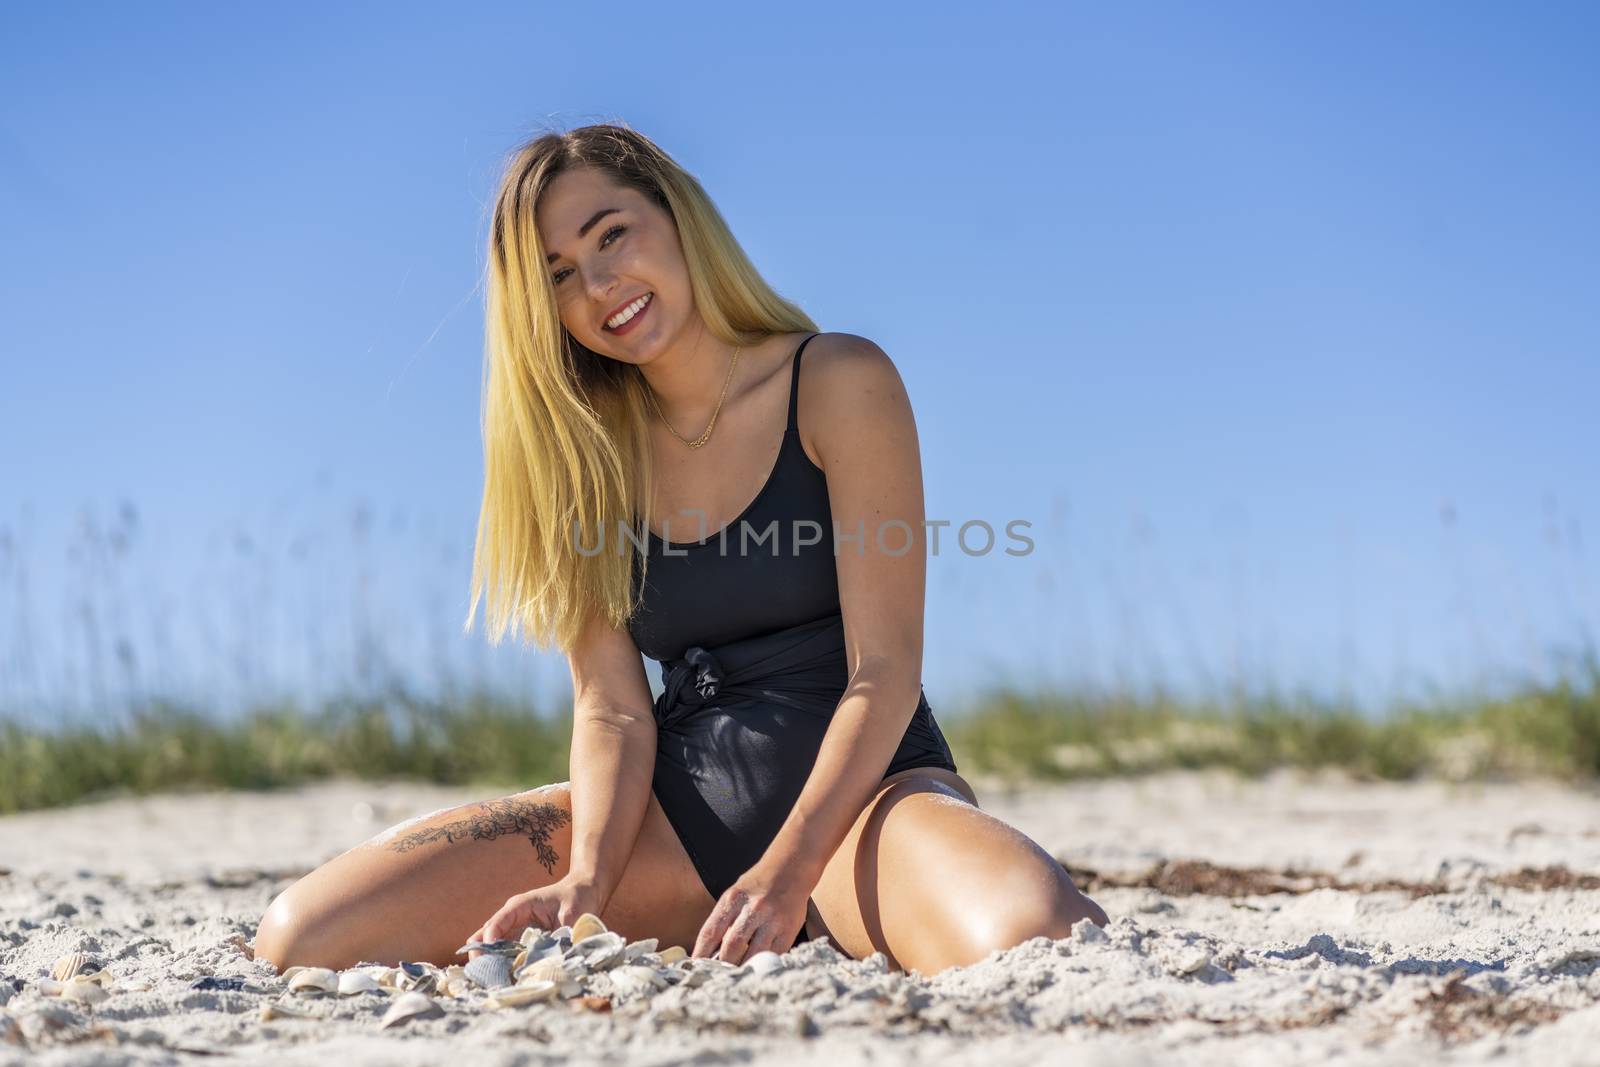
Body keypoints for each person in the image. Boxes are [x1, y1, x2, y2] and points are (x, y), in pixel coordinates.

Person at [253, 123, 1108, 977]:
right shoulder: (582, 456)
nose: (598, 285)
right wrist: (588, 878)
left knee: (1035, 931)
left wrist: (789, 867)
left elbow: (883, 670)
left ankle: (825, 905)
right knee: (303, 933)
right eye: (559, 275)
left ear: (676, 214)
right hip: (675, 824)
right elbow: (612, 706)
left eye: (611, 234)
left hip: (863, 811)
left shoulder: (838, 380)